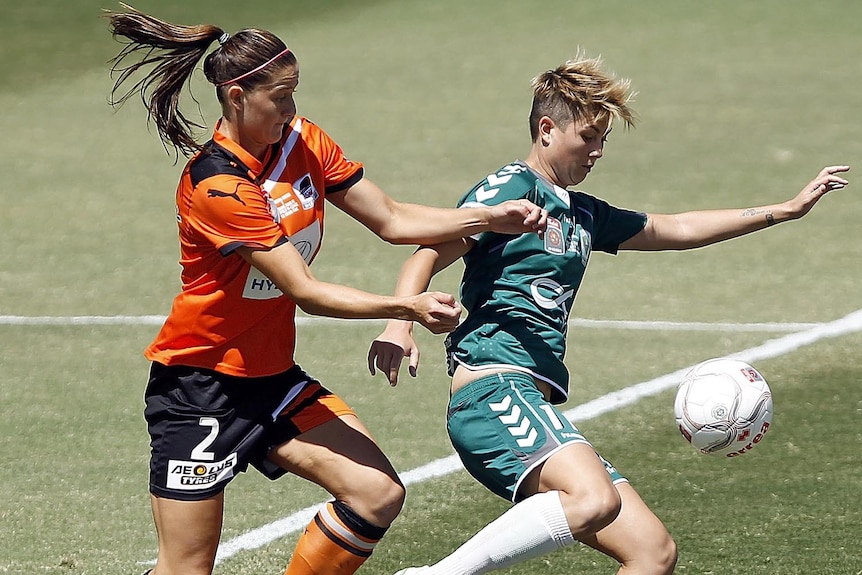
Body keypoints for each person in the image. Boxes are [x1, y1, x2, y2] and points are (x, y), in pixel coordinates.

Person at [105, 5, 548, 575]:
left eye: (295, 95)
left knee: (377, 493)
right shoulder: (218, 185)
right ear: (237, 96)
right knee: (186, 568)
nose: (292, 109)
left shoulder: (302, 142)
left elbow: (390, 219)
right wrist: (404, 307)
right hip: (199, 389)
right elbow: (305, 291)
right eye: (280, 97)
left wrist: (485, 218)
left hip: (271, 381)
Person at [368, 53, 850, 575]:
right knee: (593, 499)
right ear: (547, 129)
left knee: (651, 552)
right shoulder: (510, 190)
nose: (597, 152)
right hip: (494, 392)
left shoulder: (582, 213)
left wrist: (784, 209)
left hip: (534, 397)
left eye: (604, 141)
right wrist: (400, 321)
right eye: (589, 137)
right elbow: (428, 251)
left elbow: (676, 229)